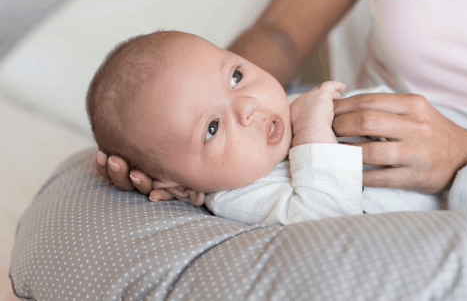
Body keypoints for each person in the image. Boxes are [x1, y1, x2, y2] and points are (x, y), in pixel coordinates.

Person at [95, 0, 467, 202]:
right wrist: (174, 133)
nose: (247, 106)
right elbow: (280, 34)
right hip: (344, 145)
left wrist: (464, 153)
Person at [88, 30, 442, 225]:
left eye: (236, 76)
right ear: (183, 188)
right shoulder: (242, 194)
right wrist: (312, 133)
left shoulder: (287, 107)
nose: (248, 105)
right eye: (212, 128)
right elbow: (326, 226)